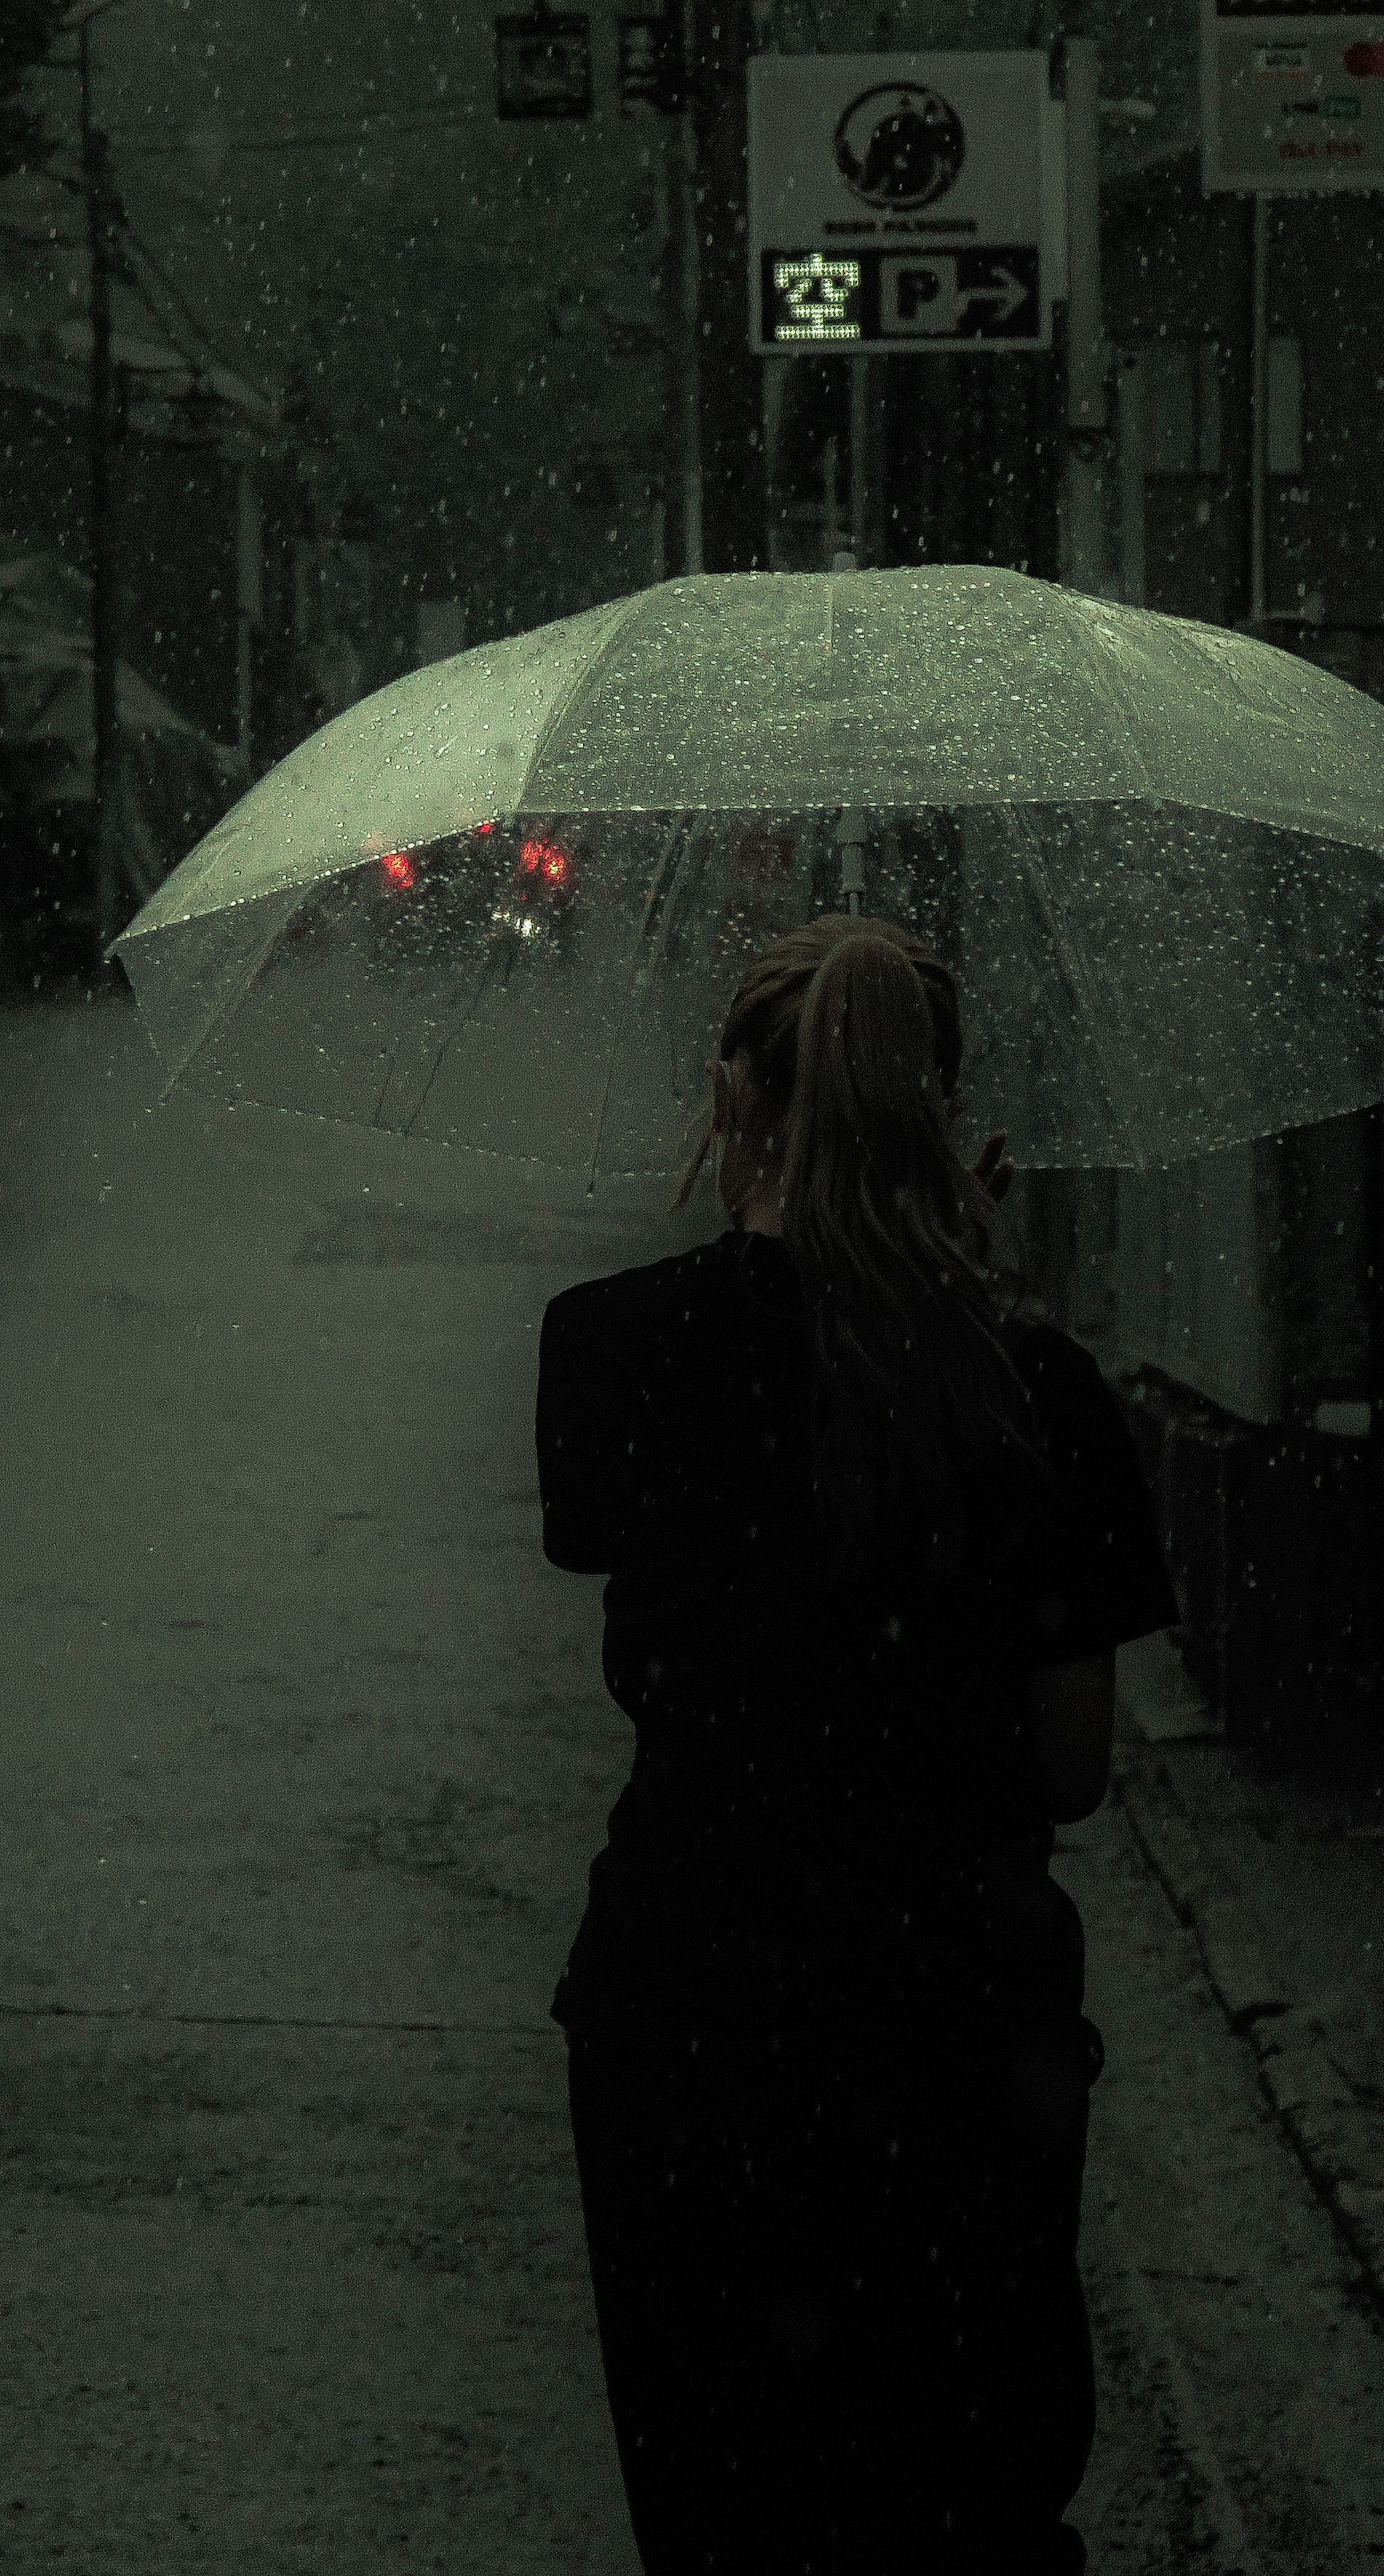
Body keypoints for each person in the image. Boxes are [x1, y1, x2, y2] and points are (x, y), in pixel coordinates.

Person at [535, 913, 1177, 2575]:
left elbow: (675, 1663)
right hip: (956, 2016)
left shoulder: (619, 1351)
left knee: (726, 2504)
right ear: (938, 1107)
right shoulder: (1035, 1385)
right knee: (962, 2504)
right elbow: (1066, 1765)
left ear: (731, 1099)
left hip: (691, 2002)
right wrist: (974, 1307)